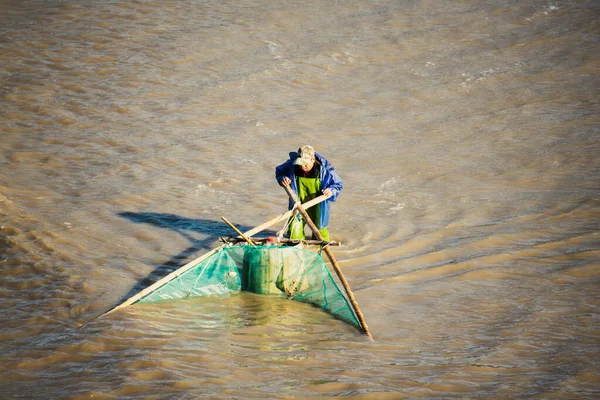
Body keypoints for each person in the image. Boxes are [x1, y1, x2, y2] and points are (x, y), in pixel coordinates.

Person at [275, 145, 343, 241]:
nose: (302, 167)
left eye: (305, 164)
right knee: (294, 232)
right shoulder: (291, 165)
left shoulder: (325, 170)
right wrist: (282, 178)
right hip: (298, 204)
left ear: (313, 159)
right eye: (300, 164)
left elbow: (338, 184)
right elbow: (279, 172)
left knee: (320, 234)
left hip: (318, 205)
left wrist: (331, 190)